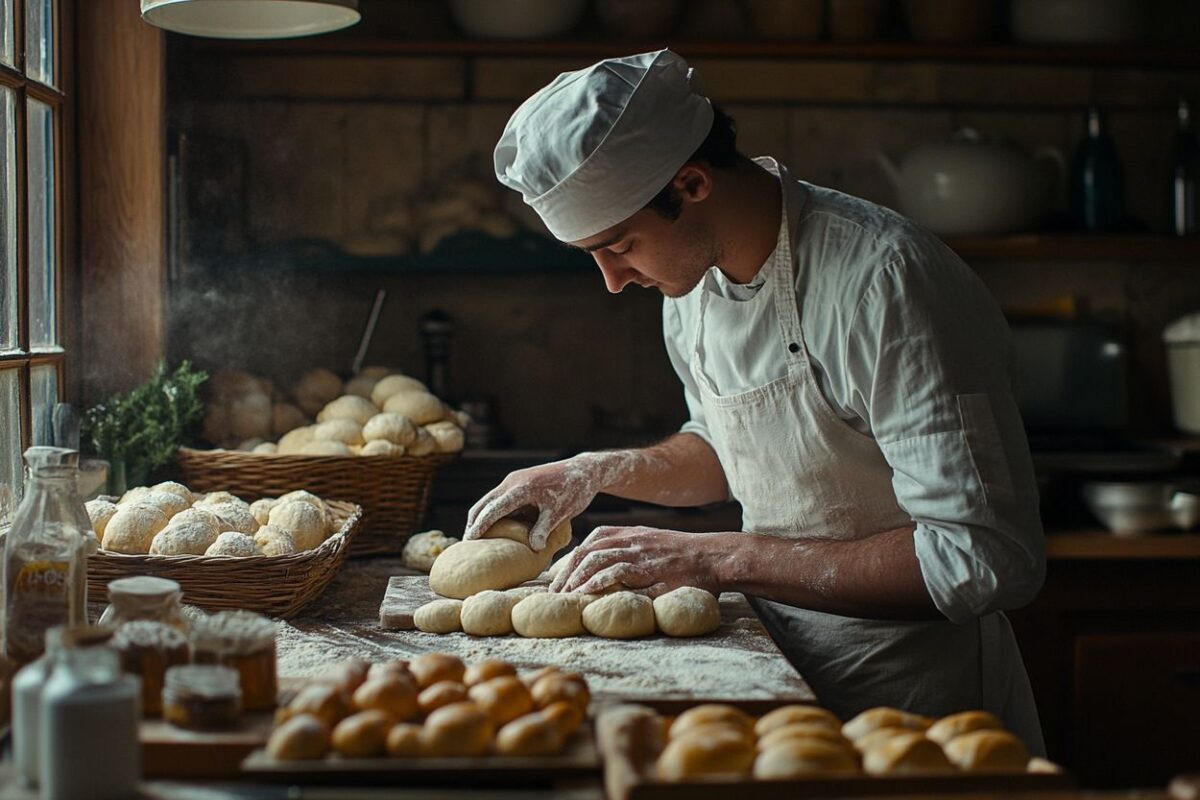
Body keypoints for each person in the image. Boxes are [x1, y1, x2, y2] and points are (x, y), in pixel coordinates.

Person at [471, 49, 1046, 751]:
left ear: (691, 183)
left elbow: (978, 556)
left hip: (920, 710)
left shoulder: (884, 283)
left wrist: (718, 559)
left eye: (620, 246)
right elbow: (728, 449)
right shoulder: (690, 285)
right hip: (775, 679)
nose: (613, 282)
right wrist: (594, 470)